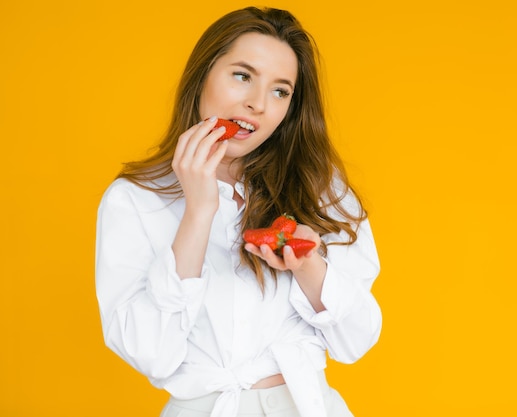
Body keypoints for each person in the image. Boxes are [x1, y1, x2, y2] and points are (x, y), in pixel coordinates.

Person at [95, 6, 382, 417]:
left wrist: (307, 264)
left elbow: (356, 342)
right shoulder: (135, 200)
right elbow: (152, 355)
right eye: (242, 76)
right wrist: (198, 212)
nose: (258, 105)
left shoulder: (322, 191)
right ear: (201, 77)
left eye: (280, 91)